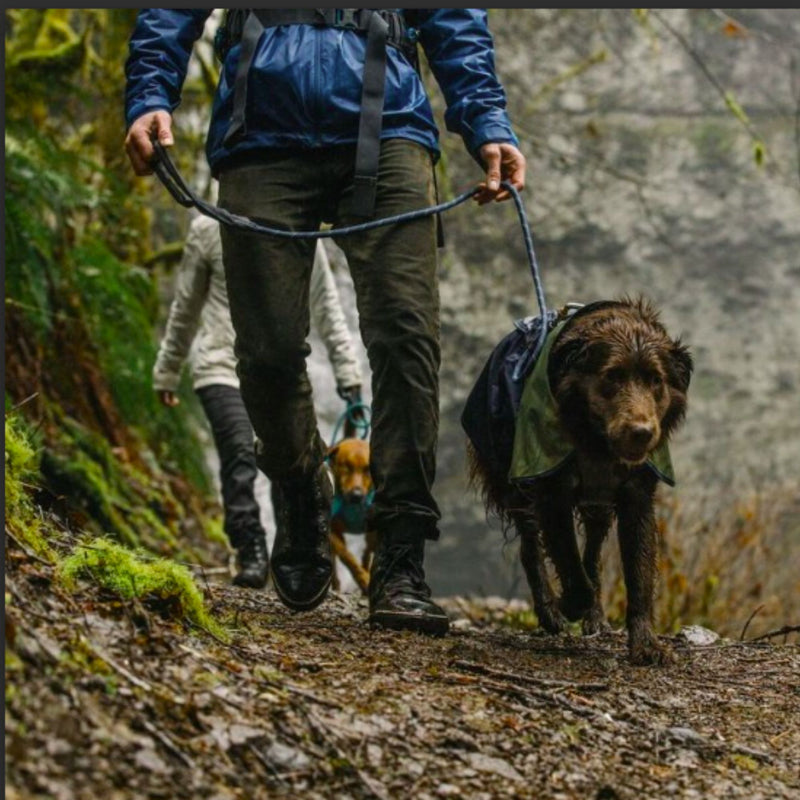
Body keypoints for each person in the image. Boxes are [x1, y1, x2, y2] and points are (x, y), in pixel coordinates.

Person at [125, 9, 526, 636]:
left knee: (407, 338)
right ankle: (298, 488)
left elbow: (452, 16)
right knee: (266, 352)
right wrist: (150, 93)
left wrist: (488, 122)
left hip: (389, 126)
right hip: (259, 132)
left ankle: (399, 557)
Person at [153, 215, 362, 589]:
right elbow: (186, 303)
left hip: (279, 374)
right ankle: (250, 550)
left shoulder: (300, 224)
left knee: (290, 458)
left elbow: (326, 306)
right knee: (239, 454)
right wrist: (168, 368)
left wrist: (348, 372)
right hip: (220, 364)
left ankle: (293, 553)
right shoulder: (206, 228)